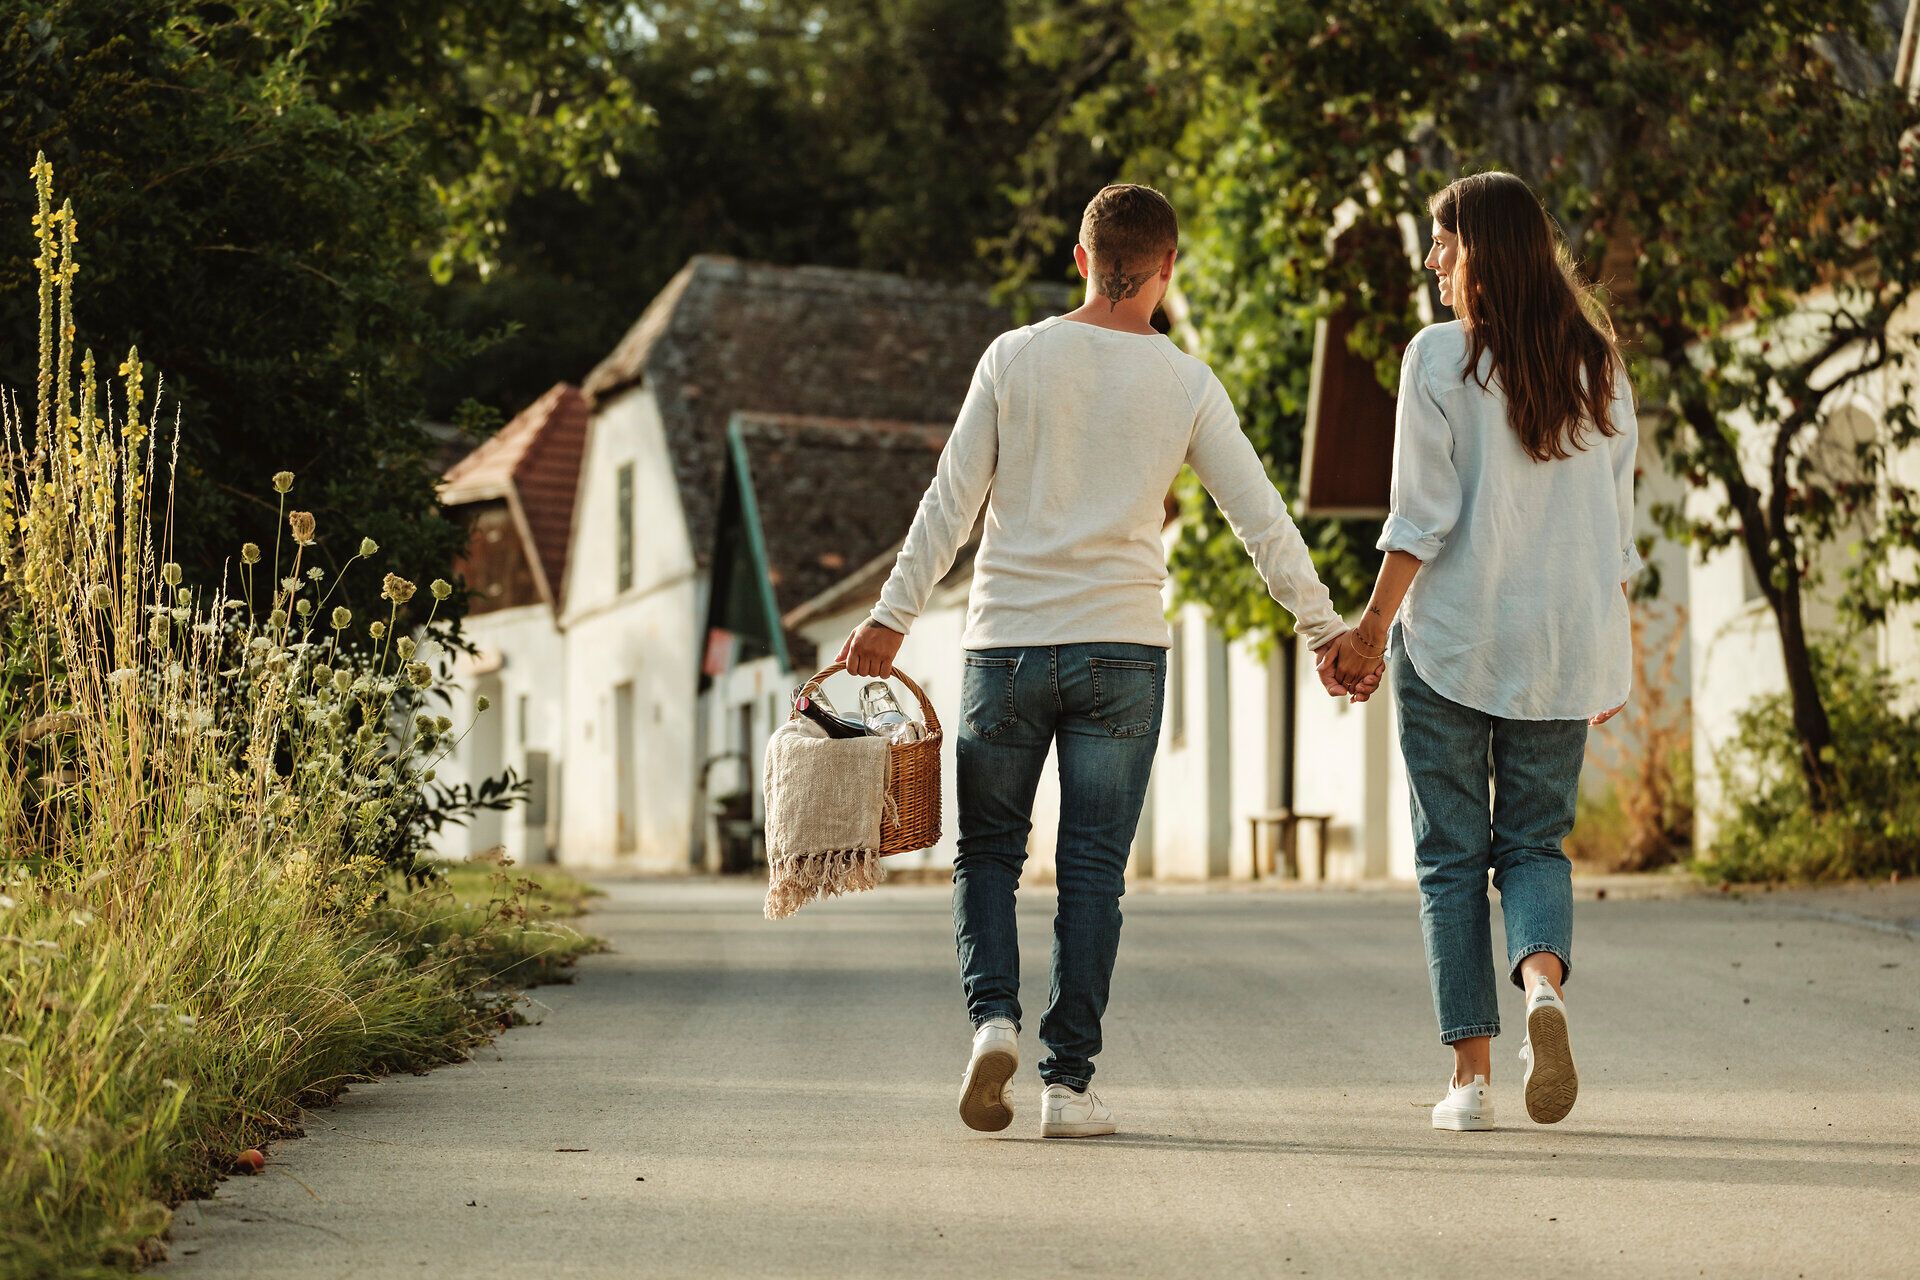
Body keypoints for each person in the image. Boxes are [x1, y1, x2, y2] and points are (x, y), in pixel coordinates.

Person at [837, 184, 1371, 1138]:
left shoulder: (1014, 358)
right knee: (1092, 872)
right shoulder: (1188, 383)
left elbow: (948, 503)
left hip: (1004, 646)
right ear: (1167, 271)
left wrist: (890, 619)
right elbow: (1261, 522)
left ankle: (992, 1019)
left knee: (990, 854)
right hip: (1121, 653)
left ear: (1080, 259)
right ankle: (1068, 1086)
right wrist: (1326, 630)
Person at [1323, 170, 1642, 1131]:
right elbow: (1613, 529)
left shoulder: (1439, 359)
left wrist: (1370, 630)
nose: (1432, 259)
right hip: (1561, 641)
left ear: (1481, 251)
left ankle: (1471, 1082)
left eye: (1442, 241)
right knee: (1535, 843)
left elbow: (1421, 517)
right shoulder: (1600, 362)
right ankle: (1543, 985)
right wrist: (1608, 651)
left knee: (1452, 859)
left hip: (1455, 641)